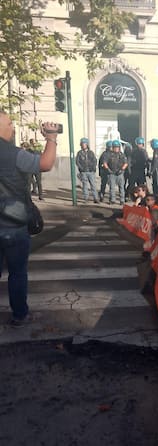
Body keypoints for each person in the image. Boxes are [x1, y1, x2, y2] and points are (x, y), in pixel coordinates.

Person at [0, 111, 58, 327]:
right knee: (17, 273)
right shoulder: (14, 154)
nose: (12, 127)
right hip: (13, 225)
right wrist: (51, 138)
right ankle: (19, 315)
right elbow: (45, 164)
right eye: (9, 123)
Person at [103, 139, 128, 205]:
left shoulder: (122, 155)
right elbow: (105, 163)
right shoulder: (109, 155)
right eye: (115, 147)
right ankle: (112, 200)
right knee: (112, 188)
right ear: (113, 147)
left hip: (120, 174)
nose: (116, 148)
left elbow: (125, 163)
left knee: (121, 187)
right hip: (112, 173)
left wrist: (121, 170)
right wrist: (108, 169)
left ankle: (122, 200)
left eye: (117, 147)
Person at [75, 137, 99, 204]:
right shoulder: (79, 153)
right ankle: (86, 198)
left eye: (85, 144)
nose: (83, 145)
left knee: (93, 185)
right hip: (83, 172)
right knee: (85, 185)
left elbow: (94, 160)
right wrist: (81, 168)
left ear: (87, 144)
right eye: (82, 144)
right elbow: (77, 162)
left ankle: (95, 198)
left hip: (91, 171)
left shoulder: (91, 153)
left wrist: (93, 168)